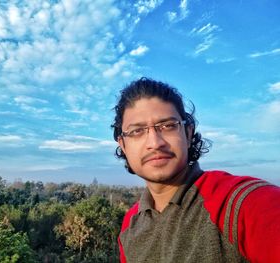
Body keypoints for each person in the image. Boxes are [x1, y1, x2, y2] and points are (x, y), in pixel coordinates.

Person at [111, 77, 280, 263]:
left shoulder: (241, 203)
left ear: (188, 133)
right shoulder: (130, 224)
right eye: (137, 131)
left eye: (168, 126)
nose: (155, 143)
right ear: (123, 145)